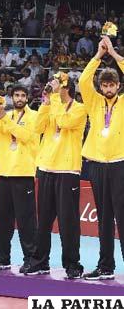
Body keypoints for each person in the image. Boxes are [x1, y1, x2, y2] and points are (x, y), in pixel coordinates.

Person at [24, 75, 87, 279]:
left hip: (67, 170)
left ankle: (72, 264)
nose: (52, 88)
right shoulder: (52, 105)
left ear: (66, 88)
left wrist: (55, 101)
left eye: (57, 85)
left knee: (68, 222)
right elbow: (37, 127)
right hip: (46, 168)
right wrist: (45, 102)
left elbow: (63, 121)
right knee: (43, 221)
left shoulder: (79, 109)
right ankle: (39, 261)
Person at [80, 36, 124, 280]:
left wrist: (115, 56)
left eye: (112, 85)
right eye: (105, 85)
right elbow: (84, 80)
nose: (108, 89)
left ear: (118, 85)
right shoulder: (94, 101)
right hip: (97, 165)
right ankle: (106, 267)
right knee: (104, 219)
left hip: (120, 164)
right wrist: (98, 56)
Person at [0, 85, 39, 273]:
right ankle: (2, 257)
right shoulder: (3, 116)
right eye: (16, 95)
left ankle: (31, 258)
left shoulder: (34, 116)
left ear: (27, 98)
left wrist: (4, 118)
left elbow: (25, 136)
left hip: (23, 174)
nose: (19, 98)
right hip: (4, 173)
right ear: (11, 97)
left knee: (26, 221)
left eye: (23, 95)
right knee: (3, 220)